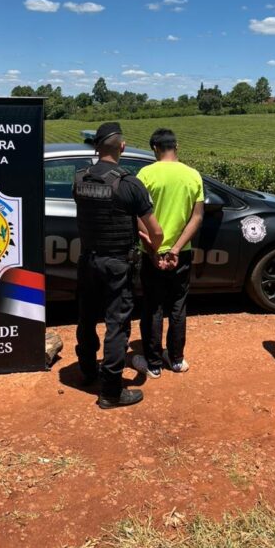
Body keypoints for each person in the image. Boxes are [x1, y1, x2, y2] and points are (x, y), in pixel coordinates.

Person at [73, 122, 163, 409]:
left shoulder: (79, 179)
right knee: (117, 325)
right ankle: (111, 391)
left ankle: (87, 370)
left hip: (88, 260)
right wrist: (153, 248)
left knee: (86, 317)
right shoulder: (129, 183)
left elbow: (102, 213)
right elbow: (157, 231)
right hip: (117, 265)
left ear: (96, 147)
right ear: (122, 146)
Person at [132, 128, 204, 378]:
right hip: (180, 253)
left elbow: (138, 216)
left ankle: (152, 363)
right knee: (177, 306)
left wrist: (154, 249)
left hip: (151, 253)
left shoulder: (145, 175)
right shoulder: (193, 175)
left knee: (152, 307)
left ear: (154, 148)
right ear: (177, 146)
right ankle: (176, 359)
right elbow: (197, 217)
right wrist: (174, 248)